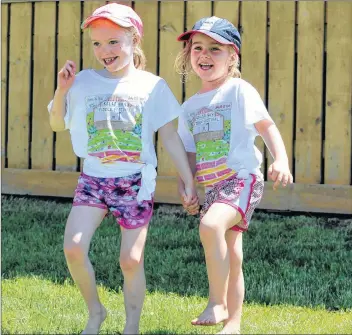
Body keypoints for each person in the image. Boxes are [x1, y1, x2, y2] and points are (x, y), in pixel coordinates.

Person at [48, 3, 197, 334]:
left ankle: (131, 327)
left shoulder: (152, 86)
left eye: (114, 42)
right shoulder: (83, 82)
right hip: (93, 179)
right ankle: (95, 312)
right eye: (97, 44)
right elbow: (57, 122)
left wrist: (188, 181)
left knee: (130, 260)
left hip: (135, 182)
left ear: (134, 40)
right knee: (73, 247)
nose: (105, 51)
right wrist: (62, 91)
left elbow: (170, 137)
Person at [175, 16, 293, 334]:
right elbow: (188, 153)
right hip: (213, 189)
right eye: (198, 47)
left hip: (241, 179)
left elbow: (266, 126)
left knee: (210, 225)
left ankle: (216, 301)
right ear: (189, 55)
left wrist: (280, 159)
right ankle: (234, 324)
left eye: (216, 48)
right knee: (233, 255)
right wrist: (187, 187)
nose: (205, 55)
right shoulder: (188, 108)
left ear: (233, 57)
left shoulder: (239, 90)